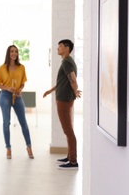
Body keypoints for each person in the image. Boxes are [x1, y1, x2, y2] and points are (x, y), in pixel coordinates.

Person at [43, 39, 81, 170]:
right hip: (64, 98)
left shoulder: (66, 62)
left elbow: (72, 78)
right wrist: (50, 91)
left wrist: (75, 90)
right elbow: (63, 81)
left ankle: (73, 161)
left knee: (68, 130)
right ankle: (69, 156)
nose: (57, 48)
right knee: (67, 130)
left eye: (60, 46)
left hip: (64, 100)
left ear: (67, 48)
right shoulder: (67, 61)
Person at [0, 45, 34, 159]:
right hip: (5, 95)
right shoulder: (2, 68)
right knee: (6, 122)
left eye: (16, 51)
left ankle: (29, 146)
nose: (14, 53)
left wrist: (20, 90)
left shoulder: (21, 67)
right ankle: (8, 148)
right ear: (8, 53)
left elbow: (22, 83)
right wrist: (7, 88)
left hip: (17, 96)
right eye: (12, 51)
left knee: (23, 122)